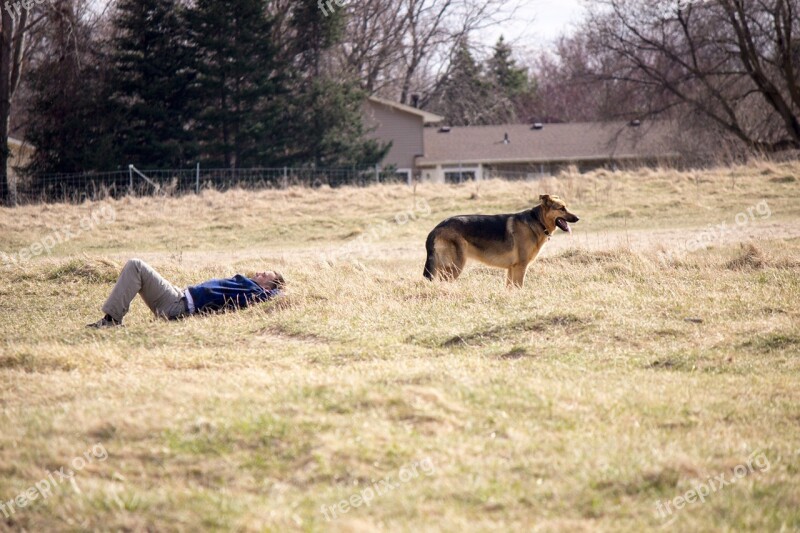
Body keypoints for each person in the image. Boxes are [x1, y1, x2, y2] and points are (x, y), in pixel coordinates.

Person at [87, 258, 285, 328]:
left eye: (264, 275)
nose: (258, 272)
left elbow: (279, 295)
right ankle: (111, 319)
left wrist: (285, 292)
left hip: (178, 305)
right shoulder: (250, 286)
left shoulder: (257, 292)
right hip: (178, 295)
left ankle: (111, 321)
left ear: (267, 287)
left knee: (136, 265)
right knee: (137, 268)